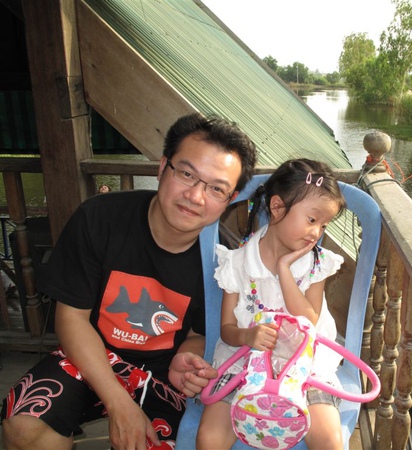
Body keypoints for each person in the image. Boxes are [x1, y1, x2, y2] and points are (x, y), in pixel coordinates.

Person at [1, 113, 257, 449]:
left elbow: (198, 334)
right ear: (162, 167)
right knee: (24, 426)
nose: (196, 196)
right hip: (89, 357)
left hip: (163, 376)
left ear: (229, 199)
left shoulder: (222, 264)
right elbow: (72, 318)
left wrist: (187, 358)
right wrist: (119, 404)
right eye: (186, 174)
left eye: (216, 188)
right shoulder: (99, 218)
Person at [196, 159, 347, 450]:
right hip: (242, 362)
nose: (317, 233)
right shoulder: (237, 263)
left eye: (324, 225)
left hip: (305, 364)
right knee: (209, 438)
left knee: (329, 439)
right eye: (312, 220)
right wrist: (247, 336)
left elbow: (309, 320)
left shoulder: (317, 264)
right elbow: (227, 329)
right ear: (277, 207)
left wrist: (284, 269)